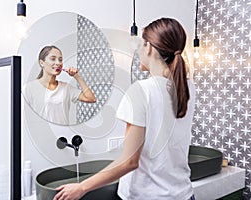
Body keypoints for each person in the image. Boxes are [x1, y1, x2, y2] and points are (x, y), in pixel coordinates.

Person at [53, 18, 195, 200]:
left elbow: (129, 162)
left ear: (149, 47)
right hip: (183, 194)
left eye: (141, 45)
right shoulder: (189, 87)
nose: (138, 51)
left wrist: (82, 187)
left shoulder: (141, 91)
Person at [22, 45, 96, 125]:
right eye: (53, 59)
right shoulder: (29, 88)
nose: (58, 63)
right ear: (42, 63)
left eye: (60, 60)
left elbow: (91, 99)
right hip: (40, 134)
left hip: (62, 135)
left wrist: (77, 77)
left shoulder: (66, 88)